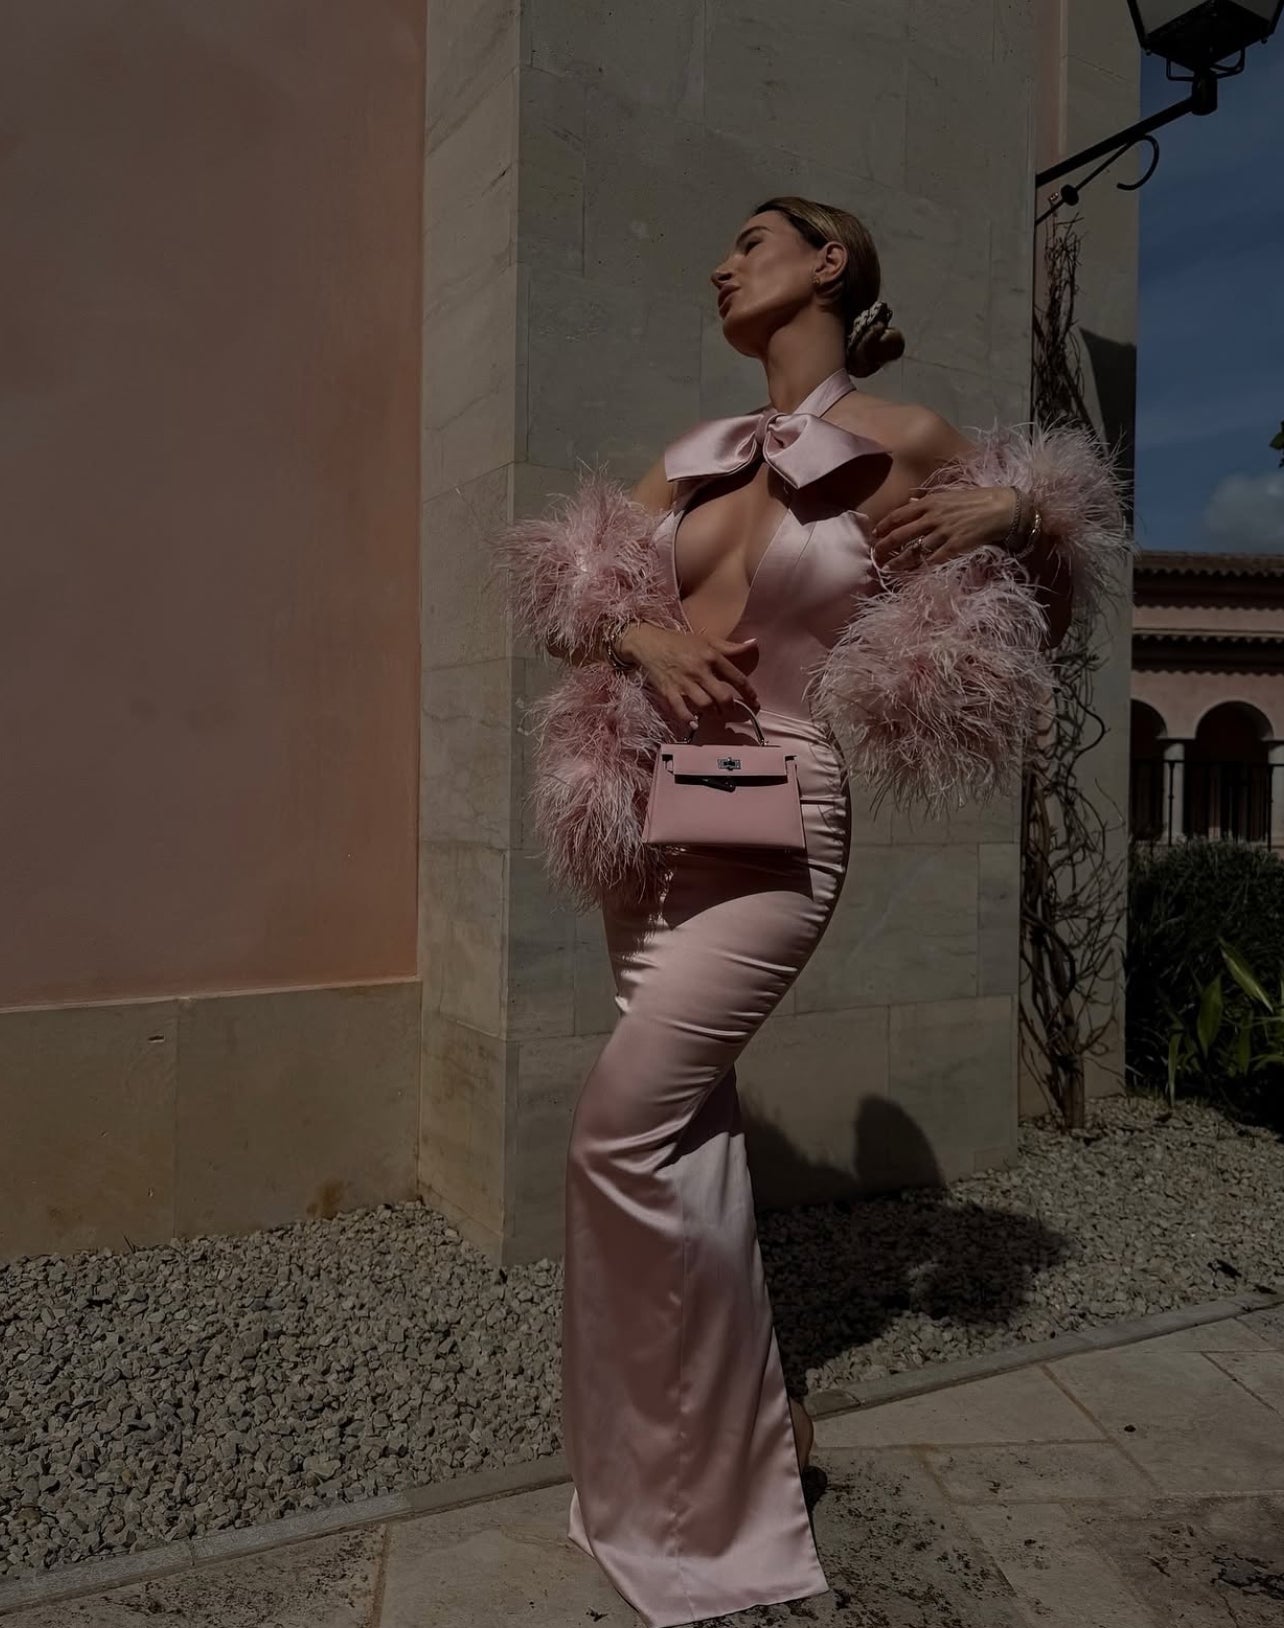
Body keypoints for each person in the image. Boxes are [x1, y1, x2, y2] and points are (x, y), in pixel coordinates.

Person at [491, 195, 1127, 1628]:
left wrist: (1022, 509)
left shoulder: (904, 438)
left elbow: (1052, 592)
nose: (723, 261)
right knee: (688, 1133)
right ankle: (688, 1471)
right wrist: (637, 625)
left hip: (786, 810)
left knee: (623, 1123)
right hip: (652, 812)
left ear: (829, 266)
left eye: (756, 240)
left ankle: (710, 1509)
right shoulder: (691, 459)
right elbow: (562, 608)